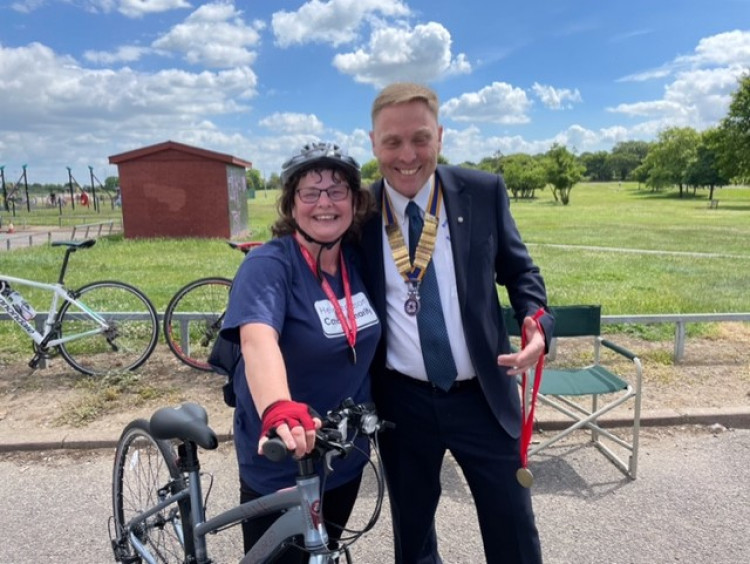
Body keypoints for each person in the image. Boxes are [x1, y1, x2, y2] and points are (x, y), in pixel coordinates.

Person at [359, 82, 555, 563]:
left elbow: (520, 272)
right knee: (413, 533)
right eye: (393, 142)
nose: (408, 155)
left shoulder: (482, 191)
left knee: (512, 529)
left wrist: (538, 325)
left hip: (482, 395)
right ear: (373, 143)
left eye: (420, 138)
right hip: (400, 400)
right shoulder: (358, 210)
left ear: (440, 136)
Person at [219, 141, 381, 561]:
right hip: (282, 460)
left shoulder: (357, 262)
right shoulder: (270, 266)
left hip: (343, 457)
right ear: (291, 204)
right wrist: (279, 408)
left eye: (337, 191)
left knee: (323, 553)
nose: (324, 203)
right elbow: (258, 339)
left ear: (354, 202)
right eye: (310, 192)